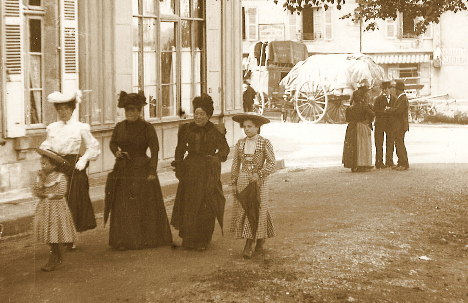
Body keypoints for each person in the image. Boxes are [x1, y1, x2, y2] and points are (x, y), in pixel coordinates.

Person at [104, 91, 173, 251]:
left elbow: (155, 150)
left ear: (139, 111)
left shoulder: (147, 127)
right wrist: (117, 152)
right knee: (123, 205)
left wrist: (152, 171)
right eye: (127, 109)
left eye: (133, 110)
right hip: (123, 169)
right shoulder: (120, 127)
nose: (130, 113)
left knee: (142, 205)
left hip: (142, 170)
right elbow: (113, 143)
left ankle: (144, 240)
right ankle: (123, 240)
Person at [40, 90, 100, 251]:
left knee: (73, 202)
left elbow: (93, 146)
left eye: (66, 109)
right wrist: (45, 152)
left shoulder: (81, 127)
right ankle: (57, 236)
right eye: (60, 109)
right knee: (56, 203)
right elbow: (46, 145)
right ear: (57, 111)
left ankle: (70, 237)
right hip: (56, 167)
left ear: (72, 110)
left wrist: (84, 159)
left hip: (74, 167)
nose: (63, 112)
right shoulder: (52, 128)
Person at [170, 94, 230, 251]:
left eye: (202, 114)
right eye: (196, 113)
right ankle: (189, 239)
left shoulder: (214, 131)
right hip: (190, 170)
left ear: (208, 116)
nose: (198, 116)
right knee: (189, 204)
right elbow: (180, 148)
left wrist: (217, 157)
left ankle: (203, 239)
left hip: (207, 171)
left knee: (205, 205)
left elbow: (225, 149)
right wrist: (178, 164)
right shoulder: (187, 129)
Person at [230, 113, 276, 259]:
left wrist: (260, 174)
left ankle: (250, 244)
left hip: (259, 182)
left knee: (258, 209)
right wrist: (233, 182)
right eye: (244, 127)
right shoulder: (240, 143)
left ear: (257, 127)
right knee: (246, 210)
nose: (247, 129)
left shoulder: (264, 142)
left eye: (250, 126)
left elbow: (271, 163)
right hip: (243, 180)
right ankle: (259, 238)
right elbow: (236, 164)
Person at [33, 149, 77, 272]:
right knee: (48, 233)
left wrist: (48, 195)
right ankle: (56, 254)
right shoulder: (41, 176)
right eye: (41, 163)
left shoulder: (60, 177)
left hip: (57, 209)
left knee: (55, 232)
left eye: (45, 164)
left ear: (54, 165)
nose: (42, 166)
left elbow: (61, 192)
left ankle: (55, 257)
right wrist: (40, 181)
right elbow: (37, 191)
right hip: (45, 209)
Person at [342, 88, 375, 172]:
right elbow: (372, 114)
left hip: (351, 127)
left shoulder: (349, 108)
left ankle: (353, 165)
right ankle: (362, 165)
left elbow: (347, 119)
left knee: (352, 146)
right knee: (362, 146)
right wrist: (368, 121)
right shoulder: (363, 106)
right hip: (361, 126)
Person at [386, 81, 410, 171]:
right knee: (399, 144)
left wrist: (389, 110)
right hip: (400, 125)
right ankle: (401, 162)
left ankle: (404, 163)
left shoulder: (402, 99)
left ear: (398, 89)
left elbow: (398, 111)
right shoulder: (402, 98)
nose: (394, 90)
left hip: (399, 125)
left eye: (395, 89)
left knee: (399, 144)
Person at [373, 81, 396, 168]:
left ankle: (389, 161)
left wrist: (390, 111)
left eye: (386, 89)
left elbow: (396, 111)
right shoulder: (378, 99)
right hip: (380, 123)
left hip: (390, 124)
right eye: (383, 89)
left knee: (390, 143)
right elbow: (375, 111)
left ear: (390, 89)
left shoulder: (394, 99)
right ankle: (379, 162)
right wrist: (385, 111)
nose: (384, 91)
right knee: (379, 143)